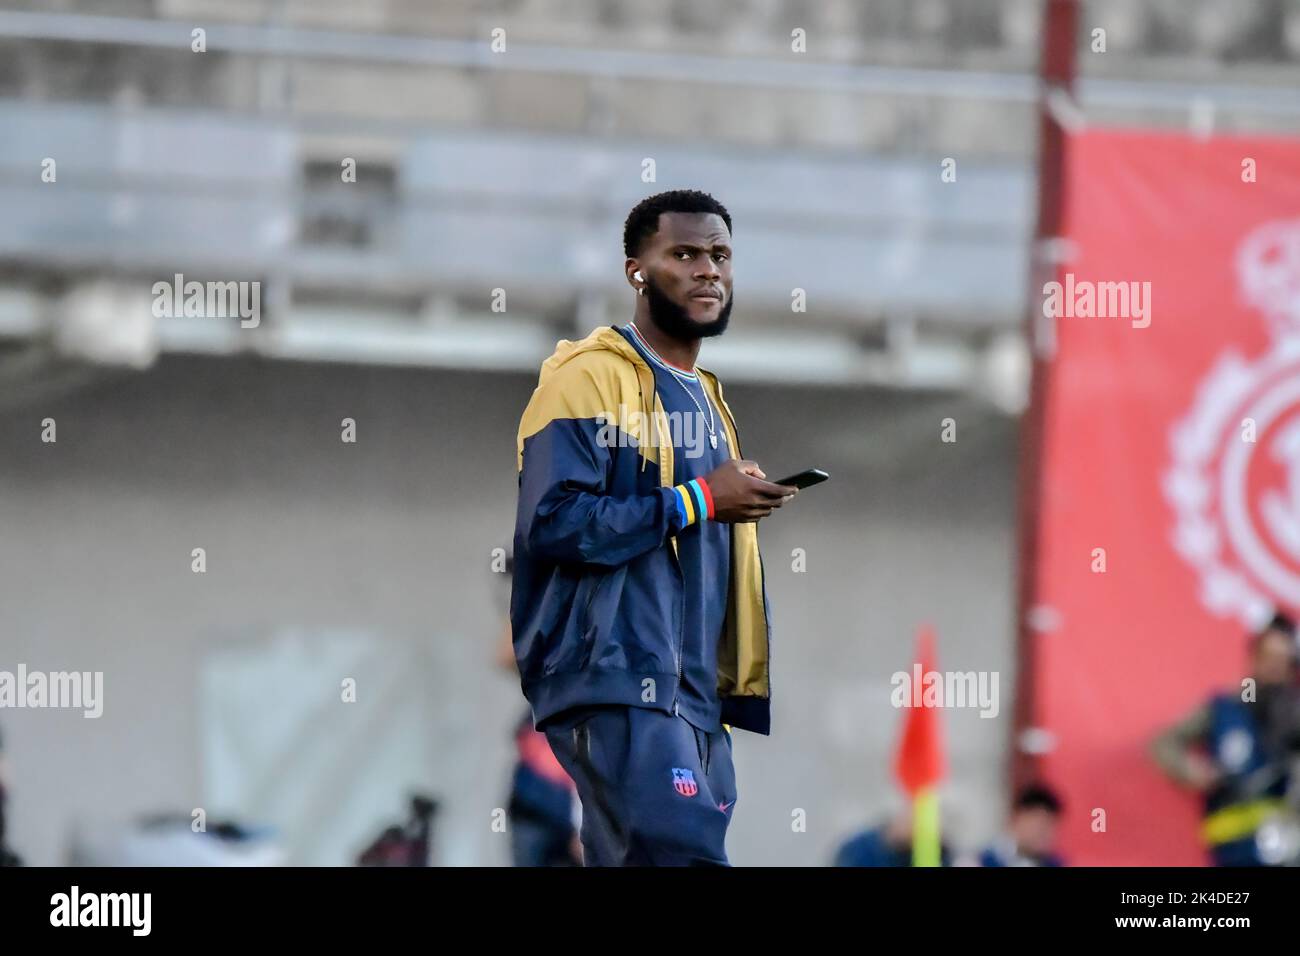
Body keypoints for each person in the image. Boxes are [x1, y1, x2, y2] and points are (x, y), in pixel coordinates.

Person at [510, 190, 797, 866]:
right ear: (637, 270)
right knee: (677, 855)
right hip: (619, 678)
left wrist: (725, 497)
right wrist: (699, 498)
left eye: (720, 256)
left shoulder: (708, 396)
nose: (708, 271)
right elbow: (553, 523)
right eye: (685, 254)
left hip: (696, 696)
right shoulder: (586, 378)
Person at [1151, 612, 1300, 866]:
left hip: (1285, 841)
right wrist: (1192, 771)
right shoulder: (1227, 707)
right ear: (1253, 658)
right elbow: (1163, 744)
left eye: (1282, 661)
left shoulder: (1293, 712)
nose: (1273, 667)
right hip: (1233, 844)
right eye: (1267, 658)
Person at [974, 784, 1065, 867]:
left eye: (1050, 825)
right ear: (1016, 819)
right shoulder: (985, 860)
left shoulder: (1053, 863)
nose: (1043, 833)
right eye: (1038, 825)